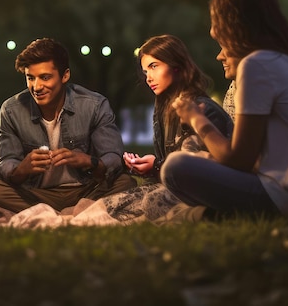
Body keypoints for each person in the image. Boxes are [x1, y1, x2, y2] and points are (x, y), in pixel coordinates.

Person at [163, 0, 288, 217]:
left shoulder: (256, 64)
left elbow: (238, 159)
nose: (212, 31)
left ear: (233, 22)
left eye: (215, 20)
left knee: (176, 167)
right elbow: (256, 158)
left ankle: (215, 216)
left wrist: (196, 118)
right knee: (200, 158)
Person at [72, 34, 234, 224]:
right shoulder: (163, 110)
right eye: (145, 70)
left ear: (176, 66)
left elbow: (193, 173)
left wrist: (157, 166)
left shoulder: (199, 109)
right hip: (177, 187)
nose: (148, 77)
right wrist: (151, 167)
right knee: (109, 204)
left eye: (154, 66)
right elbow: (168, 169)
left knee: (150, 202)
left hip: (204, 191)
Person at [0, 37, 136, 212]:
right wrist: (22, 169)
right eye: (30, 78)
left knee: (125, 182)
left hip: (86, 191)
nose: (37, 86)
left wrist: (89, 161)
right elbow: (4, 165)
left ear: (65, 75)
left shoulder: (94, 105)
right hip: (38, 194)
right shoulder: (11, 110)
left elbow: (114, 158)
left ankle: (51, 216)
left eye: (45, 77)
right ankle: (73, 215)